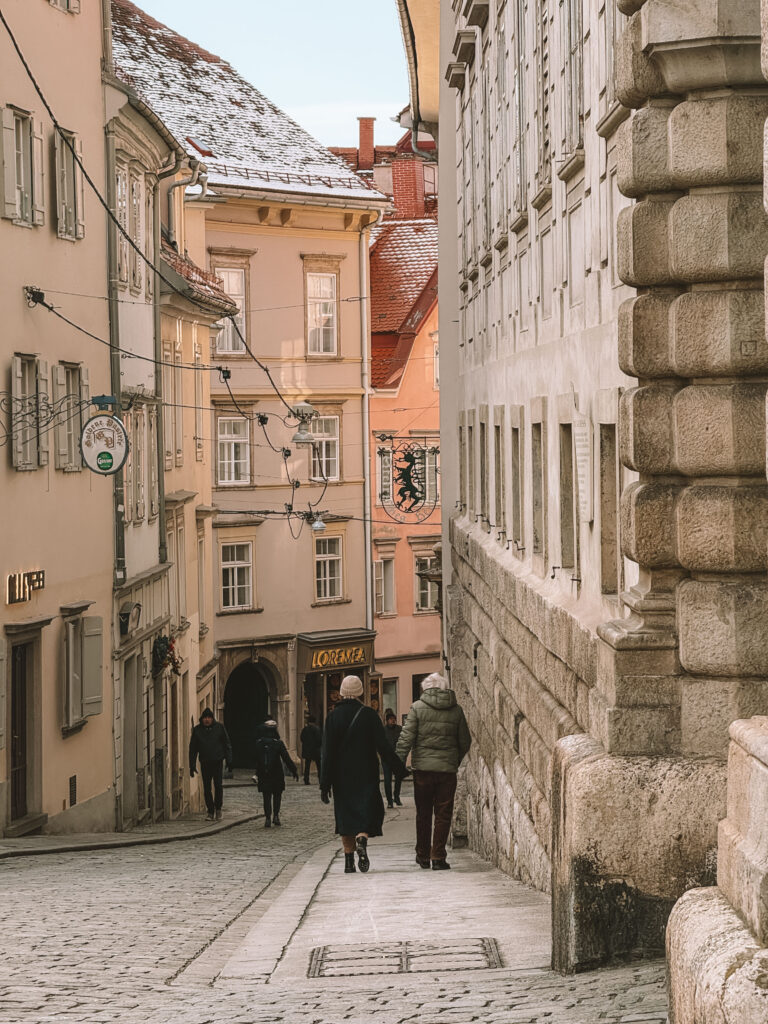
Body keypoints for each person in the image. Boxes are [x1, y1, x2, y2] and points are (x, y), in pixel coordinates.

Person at [320, 675, 407, 874]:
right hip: (366, 772)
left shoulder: (332, 717)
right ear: (360, 692)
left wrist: (325, 784)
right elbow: (384, 747)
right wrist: (399, 770)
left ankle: (348, 862)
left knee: (345, 817)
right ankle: (362, 837)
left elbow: (327, 753)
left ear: (341, 692)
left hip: (341, 776)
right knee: (367, 811)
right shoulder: (369, 715)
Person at [396, 673, 471, 871]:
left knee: (423, 813)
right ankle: (438, 856)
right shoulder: (456, 710)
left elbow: (406, 738)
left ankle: (423, 855)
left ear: (425, 688)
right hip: (447, 771)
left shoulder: (417, 708)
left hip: (423, 771)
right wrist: (453, 760)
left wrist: (398, 763)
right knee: (443, 813)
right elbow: (465, 741)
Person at [189, 707, 233, 822]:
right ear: (202, 719)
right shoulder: (197, 730)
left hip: (217, 761)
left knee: (218, 786)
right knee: (207, 788)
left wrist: (229, 760)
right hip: (205, 762)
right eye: (205, 718)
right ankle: (210, 811)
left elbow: (227, 744)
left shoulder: (219, 728)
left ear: (212, 718)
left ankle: (218, 808)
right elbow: (193, 749)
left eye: (209, 717)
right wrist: (192, 765)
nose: (207, 720)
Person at [254, 720, 298, 827]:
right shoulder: (278, 743)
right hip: (276, 773)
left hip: (264, 773)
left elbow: (256, 759)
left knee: (266, 796)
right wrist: (294, 770)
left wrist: (257, 772)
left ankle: (268, 818)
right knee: (277, 795)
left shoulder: (259, 743)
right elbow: (286, 758)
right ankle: (276, 816)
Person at [382, 711, 403, 808]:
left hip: (397, 757)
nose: (393, 721)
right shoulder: (383, 730)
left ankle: (396, 797)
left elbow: (403, 741)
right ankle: (389, 801)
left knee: (398, 778)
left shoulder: (400, 729)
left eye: (394, 719)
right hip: (386, 758)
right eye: (390, 719)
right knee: (387, 780)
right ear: (387, 721)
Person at [300, 715, 322, 785]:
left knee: (307, 766)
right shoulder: (317, 729)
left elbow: (302, 738)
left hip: (307, 750)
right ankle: (320, 779)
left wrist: (306, 745)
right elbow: (319, 740)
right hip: (315, 750)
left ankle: (306, 779)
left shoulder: (305, 729)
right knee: (319, 766)